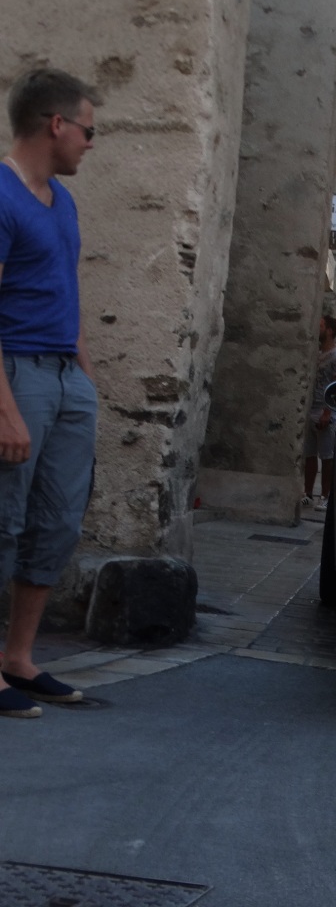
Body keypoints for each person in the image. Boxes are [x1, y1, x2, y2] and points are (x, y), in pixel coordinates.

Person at [0, 68, 101, 718]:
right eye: (88, 130)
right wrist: (5, 408)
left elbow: (64, 289)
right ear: (55, 124)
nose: (92, 143)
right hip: (17, 374)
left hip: (66, 375)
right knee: (2, 522)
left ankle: (19, 658)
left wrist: (85, 371)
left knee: (57, 523)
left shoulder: (61, 200)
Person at [302, 315, 336, 511]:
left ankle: (326, 496)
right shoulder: (317, 352)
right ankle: (308, 494)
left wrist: (328, 412)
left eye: (320, 325)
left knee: (326, 456)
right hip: (311, 408)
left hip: (325, 411)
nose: (316, 328)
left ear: (329, 330)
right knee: (309, 455)